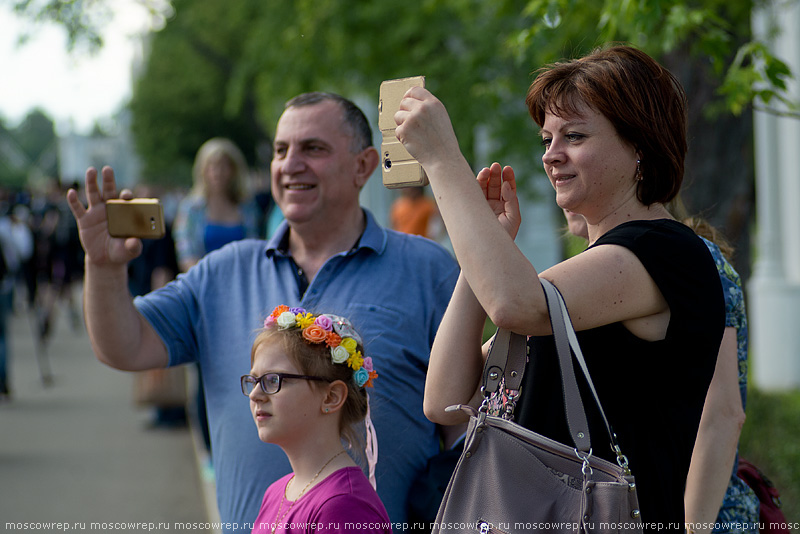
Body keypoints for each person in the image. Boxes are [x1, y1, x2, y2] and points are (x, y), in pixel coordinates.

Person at [65, 92, 459, 533]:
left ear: (363, 165)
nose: (291, 164)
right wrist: (102, 268)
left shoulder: (429, 270)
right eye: (280, 150)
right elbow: (125, 346)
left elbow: (465, 426)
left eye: (313, 148)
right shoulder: (223, 270)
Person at [397, 44, 725, 526]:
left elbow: (515, 304)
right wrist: (480, 249)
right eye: (546, 139)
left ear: (640, 145)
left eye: (573, 136)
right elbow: (444, 398)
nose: (551, 156)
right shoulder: (579, 278)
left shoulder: (665, 251)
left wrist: (444, 159)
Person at [562, 209, 760, 532]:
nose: (555, 162)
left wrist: (691, 528)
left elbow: (722, 414)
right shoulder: (603, 268)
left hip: (705, 515)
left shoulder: (685, 259)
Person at [247, 305, 391, 534]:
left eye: (273, 380)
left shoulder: (343, 507)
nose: (255, 394)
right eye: (253, 380)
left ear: (331, 397)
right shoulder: (276, 491)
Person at [173, 137, 263, 272]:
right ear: (202, 170)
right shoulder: (190, 208)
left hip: (242, 279)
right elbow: (186, 254)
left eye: (224, 166)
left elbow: (254, 249)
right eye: (212, 166)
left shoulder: (247, 207)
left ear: (234, 170)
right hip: (203, 282)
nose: (218, 172)